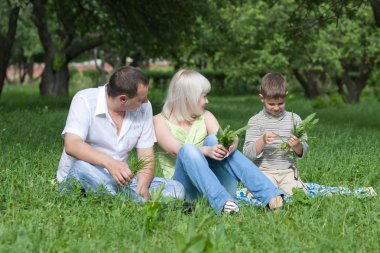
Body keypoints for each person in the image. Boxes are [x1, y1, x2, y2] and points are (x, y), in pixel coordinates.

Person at [153, 69, 283, 214]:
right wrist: (207, 151)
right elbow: (176, 150)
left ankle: (272, 196)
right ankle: (224, 204)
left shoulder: (205, 116)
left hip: (218, 186)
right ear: (188, 97)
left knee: (214, 139)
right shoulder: (159, 121)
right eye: (203, 96)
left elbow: (224, 136)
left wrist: (231, 142)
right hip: (185, 192)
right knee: (187, 149)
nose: (207, 101)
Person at [57, 66, 184, 201]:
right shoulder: (84, 100)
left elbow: (146, 156)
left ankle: (128, 198)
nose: (146, 102)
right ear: (123, 99)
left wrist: (143, 185)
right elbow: (72, 145)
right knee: (80, 167)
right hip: (84, 175)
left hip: (120, 181)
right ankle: (132, 201)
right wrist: (110, 163)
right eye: (140, 99)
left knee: (177, 189)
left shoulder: (145, 108)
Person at [243, 72, 308, 195]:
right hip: (263, 171)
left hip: (288, 171)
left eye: (280, 103)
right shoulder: (255, 121)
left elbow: (303, 150)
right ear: (262, 98)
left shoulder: (295, 119)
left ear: (286, 96)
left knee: (299, 195)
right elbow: (247, 154)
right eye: (271, 104)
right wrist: (262, 141)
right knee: (263, 195)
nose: (276, 108)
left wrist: (297, 145)